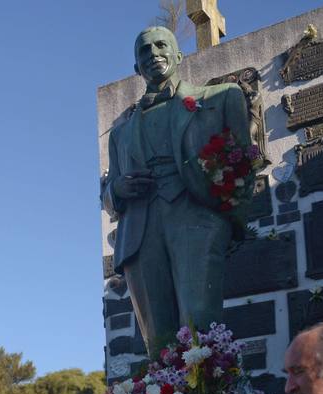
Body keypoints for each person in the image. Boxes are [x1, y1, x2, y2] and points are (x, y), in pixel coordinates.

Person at [100, 25, 252, 349]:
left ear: (178, 55)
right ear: (136, 67)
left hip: (196, 217)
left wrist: (227, 213)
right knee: (158, 340)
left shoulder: (221, 98)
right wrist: (118, 191)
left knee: (200, 323)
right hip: (141, 231)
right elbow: (108, 190)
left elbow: (245, 159)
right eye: (144, 50)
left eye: (160, 46)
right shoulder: (120, 133)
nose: (153, 54)